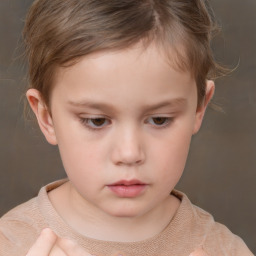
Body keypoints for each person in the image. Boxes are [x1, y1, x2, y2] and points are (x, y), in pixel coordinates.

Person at [0, 0, 253, 255]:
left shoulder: (224, 250)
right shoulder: (9, 243)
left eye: (159, 119)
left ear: (199, 108)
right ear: (47, 117)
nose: (129, 153)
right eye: (97, 121)